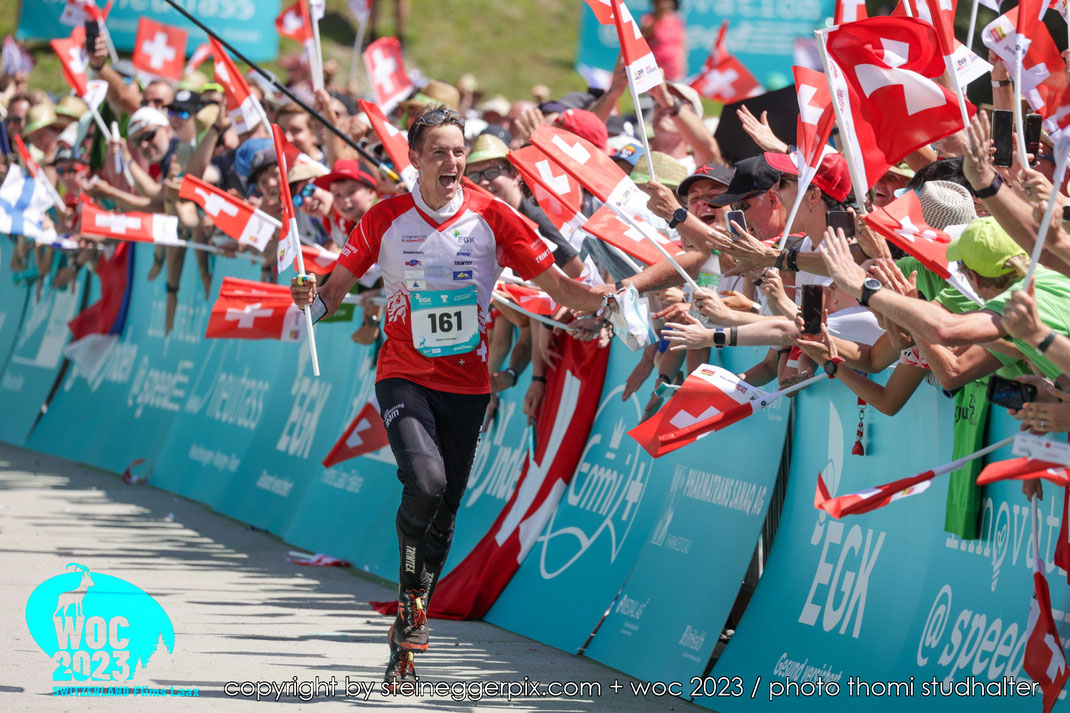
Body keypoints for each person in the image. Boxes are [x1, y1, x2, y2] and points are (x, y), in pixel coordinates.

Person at [289, 105, 614, 690]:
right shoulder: (386, 217)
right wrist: (305, 300)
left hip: (468, 386)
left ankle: (409, 618)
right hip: (403, 375)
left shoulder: (495, 216)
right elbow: (332, 294)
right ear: (414, 158)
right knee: (426, 482)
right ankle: (411, 607)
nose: (452, 162)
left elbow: (563, 289)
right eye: (438, 151)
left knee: (445, 514)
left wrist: (616, 300)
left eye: (459, 151)